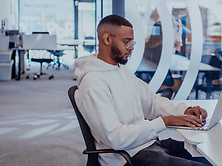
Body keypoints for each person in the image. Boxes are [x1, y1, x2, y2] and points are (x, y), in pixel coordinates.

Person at [74, 14, 210, 166]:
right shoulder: (93, 83)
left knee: (206, 154)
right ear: (107, 39)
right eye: (127, 42)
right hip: (126, 157)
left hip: (148, 145)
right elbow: (115, 138)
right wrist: (164, 122)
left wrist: (185, 110)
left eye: (132, 42)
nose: (131, 47)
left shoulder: (120, 70)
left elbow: (152, 102)